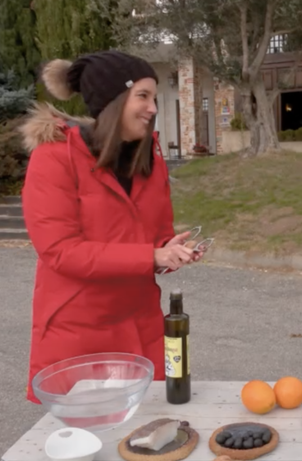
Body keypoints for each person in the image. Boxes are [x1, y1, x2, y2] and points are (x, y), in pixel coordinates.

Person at [19, 50, 204, 404]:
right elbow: (61, 251)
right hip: (80, 330)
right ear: (113, 100)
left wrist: (172, 250)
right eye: (143, 96)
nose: (153, 108)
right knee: (92, 441)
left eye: (154, 97)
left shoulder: (149, 159)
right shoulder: (53, 157)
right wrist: (151, 255)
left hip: (141, 325)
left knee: (150, 435)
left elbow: (155, 237)